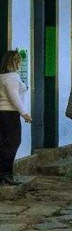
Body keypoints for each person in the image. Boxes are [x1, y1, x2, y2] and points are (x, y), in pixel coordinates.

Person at [0, 51, 32, 185]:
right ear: (14, 62)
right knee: (13, 143)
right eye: (19, 61)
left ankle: (3, 174)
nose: (20, 64)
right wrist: (24, 113)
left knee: (3, 144)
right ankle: (7, 174)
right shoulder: (12, 77)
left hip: (2, 113)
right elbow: (14, 97)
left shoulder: (2, 76)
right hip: (10, 113)